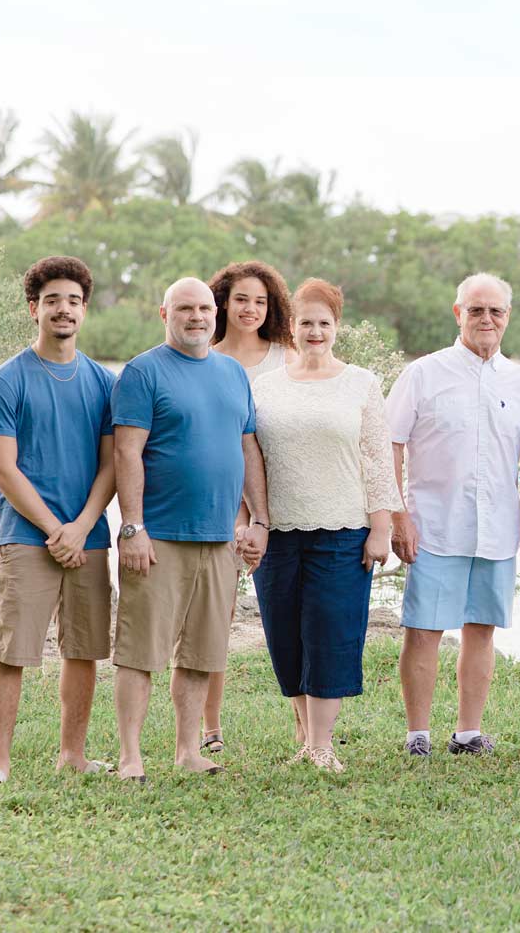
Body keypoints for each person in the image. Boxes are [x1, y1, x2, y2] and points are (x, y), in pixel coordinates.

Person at [110, 277, 269, 781]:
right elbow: (126, 451)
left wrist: (259, 520)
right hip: (158, 538)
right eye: (185, 309)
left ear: (215, 313)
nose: (197, 317)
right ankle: (130, 756)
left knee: (202, 651)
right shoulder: (142, 372)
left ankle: (187, 751)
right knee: (141, 652)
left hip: (220, 539)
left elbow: (248, 450)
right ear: (165, 314)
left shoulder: (232, 374)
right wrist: (132, 526)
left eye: (204, 308)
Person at [386, 273, 520, 757]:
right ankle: (418, 736)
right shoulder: (423, 374)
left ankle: (468, 733)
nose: (486, 319)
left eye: (496, 311)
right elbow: (388, 445)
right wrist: (398, 517)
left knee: (482, 628)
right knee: (424, 629)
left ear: (508, 317)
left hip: (496, 528)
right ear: (458, 314)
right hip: (434, 525)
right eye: (476, 310)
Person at [0, 256, 118, 785]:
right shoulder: (6, 380)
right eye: (53, 300)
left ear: (84, 309)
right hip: (24, 538)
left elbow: (113, 464)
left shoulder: (104, 382)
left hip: (89, 537)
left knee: (83, 650)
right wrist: (56, 529)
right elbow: (3, 469)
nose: (64, 309)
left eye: (73, 301)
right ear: (34, 309)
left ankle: (73, 754)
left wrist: (80, 526)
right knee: (11, 651)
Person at [250, 279, 401, 773]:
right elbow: (249, 459)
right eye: (305, 322)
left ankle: (321, 744)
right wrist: (249, 520)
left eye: (324, 323)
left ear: (337, 328)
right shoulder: (264, 386)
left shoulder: (361, 382)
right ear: (291, 328)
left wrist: (381, 528)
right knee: (285, 636)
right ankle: (304, 736)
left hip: (343, 528)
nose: (315, 331)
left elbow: (377, 458)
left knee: (331, 635)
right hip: (277, 530)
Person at [200, 260, 299, 757]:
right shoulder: (205, 357)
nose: (250, 309)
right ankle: (210, 726)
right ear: (223, 302)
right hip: (221, 502)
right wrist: (241, 517)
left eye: (260, 301)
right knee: (214, 617)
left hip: (288, 501)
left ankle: (306, 729)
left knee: (287, 617)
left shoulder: (288, 357)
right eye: (241, 299)